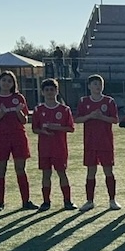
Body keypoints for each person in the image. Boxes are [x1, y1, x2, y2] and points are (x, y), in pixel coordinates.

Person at [0, 70, 36, 211]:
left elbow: (24, 120)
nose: (6, 83)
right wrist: (1, 113)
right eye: (4, 80)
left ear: (13, 83)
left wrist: (18, 111)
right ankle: (0, 203)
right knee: (0, 170)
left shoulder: (19, 97)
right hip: (1, 137)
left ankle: (26, 201)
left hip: (18, 136)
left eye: (9, 81)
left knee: (20, 169)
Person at [76, 74, 120, 210]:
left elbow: (115, 120)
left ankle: (112, 200)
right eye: (94, 84)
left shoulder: (109, 101)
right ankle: (89, 201)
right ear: (89, 86)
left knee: (108, 171)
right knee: (91, 171)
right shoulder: (84, 101)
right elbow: (77, 120)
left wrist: (102, 117)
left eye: (100, 83)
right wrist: (90, 116)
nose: (97, 86)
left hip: (105, 142)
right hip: (90, 142)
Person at [31, 78, 76, 211]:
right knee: (46, 174)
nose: (50, 92)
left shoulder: (64, 109)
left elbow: (71, 128)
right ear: (42, 92)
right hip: (44, 148)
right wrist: (43, 131)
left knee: (62, 173)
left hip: (59, 148)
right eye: (47, 90)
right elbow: (34, 129)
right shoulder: (38, 110)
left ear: (57, 91)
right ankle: (46, 202)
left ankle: (67, 201)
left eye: (52, 89)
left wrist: (56, 128)